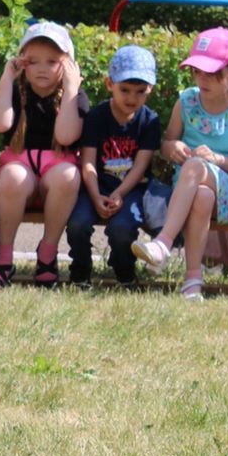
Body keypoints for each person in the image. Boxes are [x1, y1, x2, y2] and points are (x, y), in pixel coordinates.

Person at [133, 28, 228, 299]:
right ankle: (192, 282)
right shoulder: (187, 100)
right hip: (191, 190)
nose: (202, 78)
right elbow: (166, 145)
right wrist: (173, 147)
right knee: (201, 194)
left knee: (196, 167)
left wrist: (217, 159)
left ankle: (163, 244)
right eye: (196, 71)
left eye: (212, 73)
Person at [0, 20, 88, 287]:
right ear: (21, 62)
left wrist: (72, 88)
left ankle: (47, 256)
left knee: (68, 175)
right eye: (34, 61)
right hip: (21, 174)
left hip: (55, 178)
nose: (42, 68)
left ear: (67, 65)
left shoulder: (75, 95)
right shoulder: (17, 90)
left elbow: (66, 137)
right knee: (12, 177)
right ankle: (4, 260)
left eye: (52, 62)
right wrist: (7, 78)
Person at [66, 44, 161, 288]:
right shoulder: (97, 116)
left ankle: (124, 272)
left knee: (122, 229)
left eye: (140, 91)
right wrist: (97, 195)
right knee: (78, 223)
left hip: (131, 190)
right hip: (94, 187)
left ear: (150, 89)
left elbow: (141, 165)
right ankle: (80, 272)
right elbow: (88, 161)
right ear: (110, 84)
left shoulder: (149, 121)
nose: (132, 98)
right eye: (125, 90)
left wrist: (119, 193)